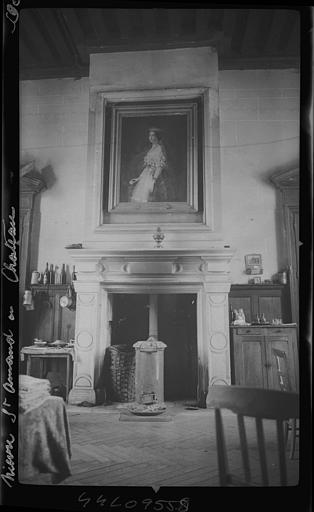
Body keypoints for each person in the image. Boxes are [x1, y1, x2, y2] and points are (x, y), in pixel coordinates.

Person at [129, 128, 167, 203]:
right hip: (146, 176)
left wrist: (154, 179)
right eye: (150, 135)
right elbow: (148, 167)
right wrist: (138, 178)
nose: (151, 137)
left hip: (154, 176)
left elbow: (159, 166)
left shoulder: (159, 148)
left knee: (149, 198)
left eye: (153, 135)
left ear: (157, 136)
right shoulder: (152, 148)